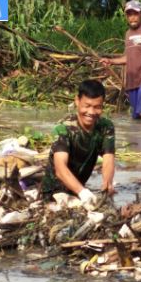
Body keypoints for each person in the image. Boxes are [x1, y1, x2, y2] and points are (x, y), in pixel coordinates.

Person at [42, 80, 116, 210]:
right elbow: (60, 169)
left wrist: (107, 182)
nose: (91, 112)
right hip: (54, 193)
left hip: (78, 189)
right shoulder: (64, 128)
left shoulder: (106, 127)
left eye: (97, 107)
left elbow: (108, 158)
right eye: (87, 106)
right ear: (77, 101)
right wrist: (83, 192)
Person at [100, 0, 141, 122]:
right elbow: (128, 57)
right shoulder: (128, 34)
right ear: (126, 16)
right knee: (136, 116)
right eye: (129, 14)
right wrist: (110, 61)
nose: (132, 17)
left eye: (135, 13)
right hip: (131, 82)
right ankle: (137, 140)